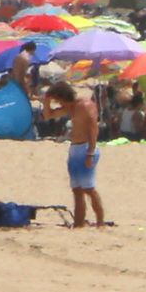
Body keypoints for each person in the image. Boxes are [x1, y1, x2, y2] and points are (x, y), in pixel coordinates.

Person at [43, 80, 106, 228]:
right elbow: (48, 115)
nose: (58, 104)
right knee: (76, 190)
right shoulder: (70, 108)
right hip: (75, 149)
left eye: (58, 100)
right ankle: (78, 223)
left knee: (89, 189)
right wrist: (46, 100)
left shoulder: (85, 106)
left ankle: (100, 222)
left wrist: (90, 152)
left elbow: (93, 129)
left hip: (86, 148)